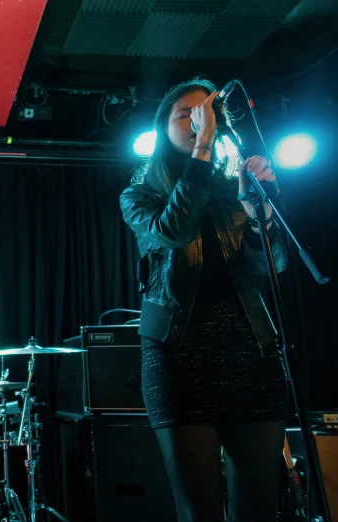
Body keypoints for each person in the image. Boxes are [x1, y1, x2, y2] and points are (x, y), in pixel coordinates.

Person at [119, 78, 289, 522]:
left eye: (207, 114)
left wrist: (260, 216)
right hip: (179, 355)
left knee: (259, 508)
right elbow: (174, 232)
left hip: (251, 350)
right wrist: (203, 151)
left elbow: (272, 265)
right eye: (187, 116)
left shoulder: (237, 187)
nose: (199, 122)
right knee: (200, 511)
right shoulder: (139, 195)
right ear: (163, 128)